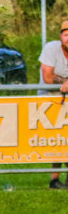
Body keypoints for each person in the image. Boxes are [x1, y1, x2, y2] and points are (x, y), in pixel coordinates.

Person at [38, 19, 68, 188]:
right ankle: (54, 179)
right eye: (66, 35)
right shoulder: (51, 48)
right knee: (55, 137)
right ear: (60, 36)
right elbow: (48, 78)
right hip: (50, 97)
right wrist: (64, 82)